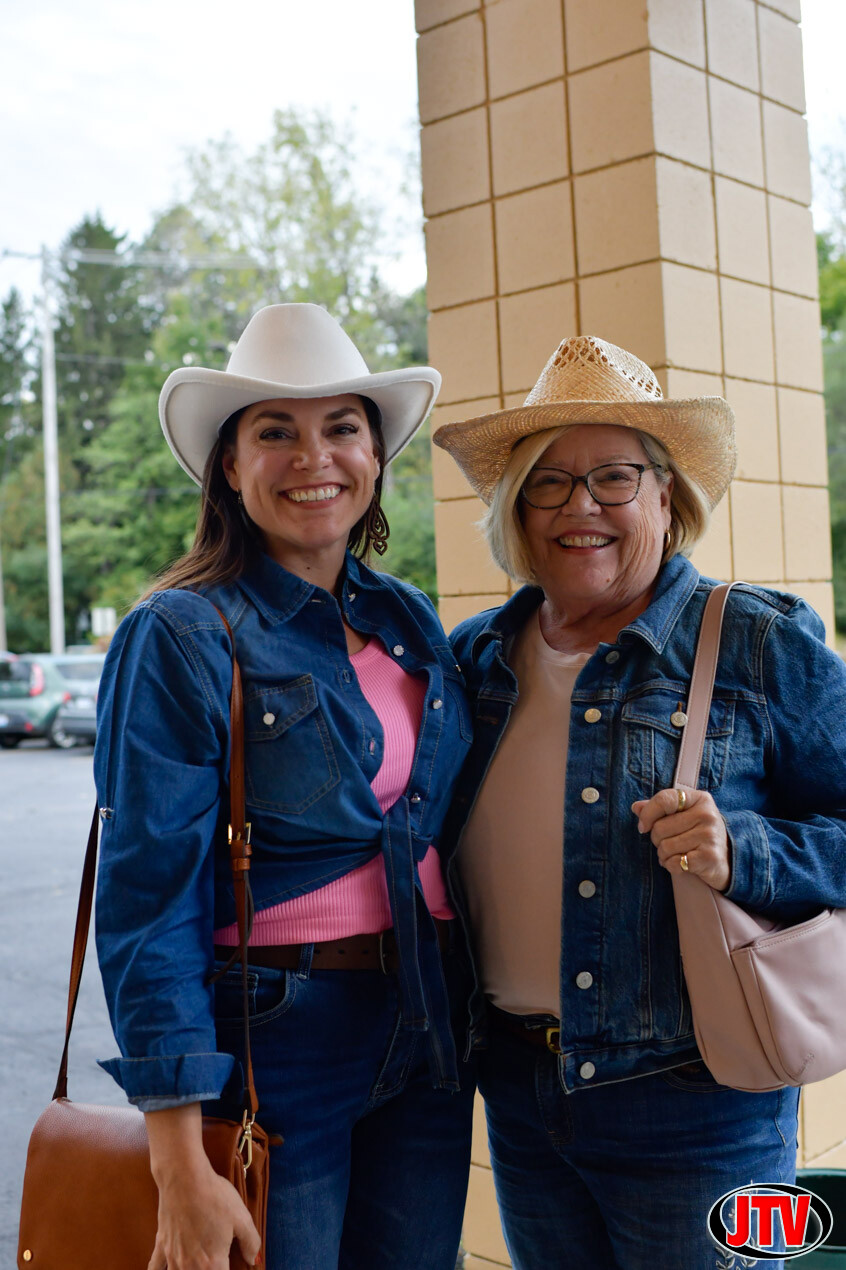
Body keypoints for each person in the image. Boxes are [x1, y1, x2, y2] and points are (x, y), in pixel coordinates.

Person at [432, 334, 846, 1270]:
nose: (581, 506)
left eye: (615, 477)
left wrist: (747, 852)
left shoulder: (754, 641)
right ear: (518, 509)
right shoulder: (475, 660)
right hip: (520, 1093)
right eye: (549, 481)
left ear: (667, 497)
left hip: (702, 1105)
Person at [93, 303, 475, 1270]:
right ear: (230, 465)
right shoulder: (180, 632)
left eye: (342, 427)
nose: (315, 457)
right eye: (275, 432)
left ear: (375, 455)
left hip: (428, 1020)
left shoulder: (407, 620)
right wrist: (177, 1158)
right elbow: (148, 902)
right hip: (278, 1035)